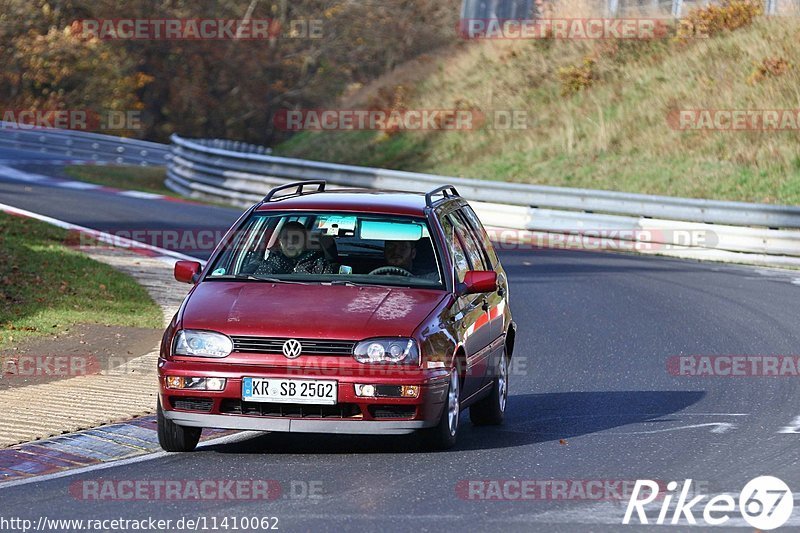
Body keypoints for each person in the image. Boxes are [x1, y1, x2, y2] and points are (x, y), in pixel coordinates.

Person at [243, 221, 334, 275]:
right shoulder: (267, 267)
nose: (290, 242)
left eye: (295, 238)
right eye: (286, 238)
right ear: (279, 241)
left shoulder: (321, 266)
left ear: (306, 241)